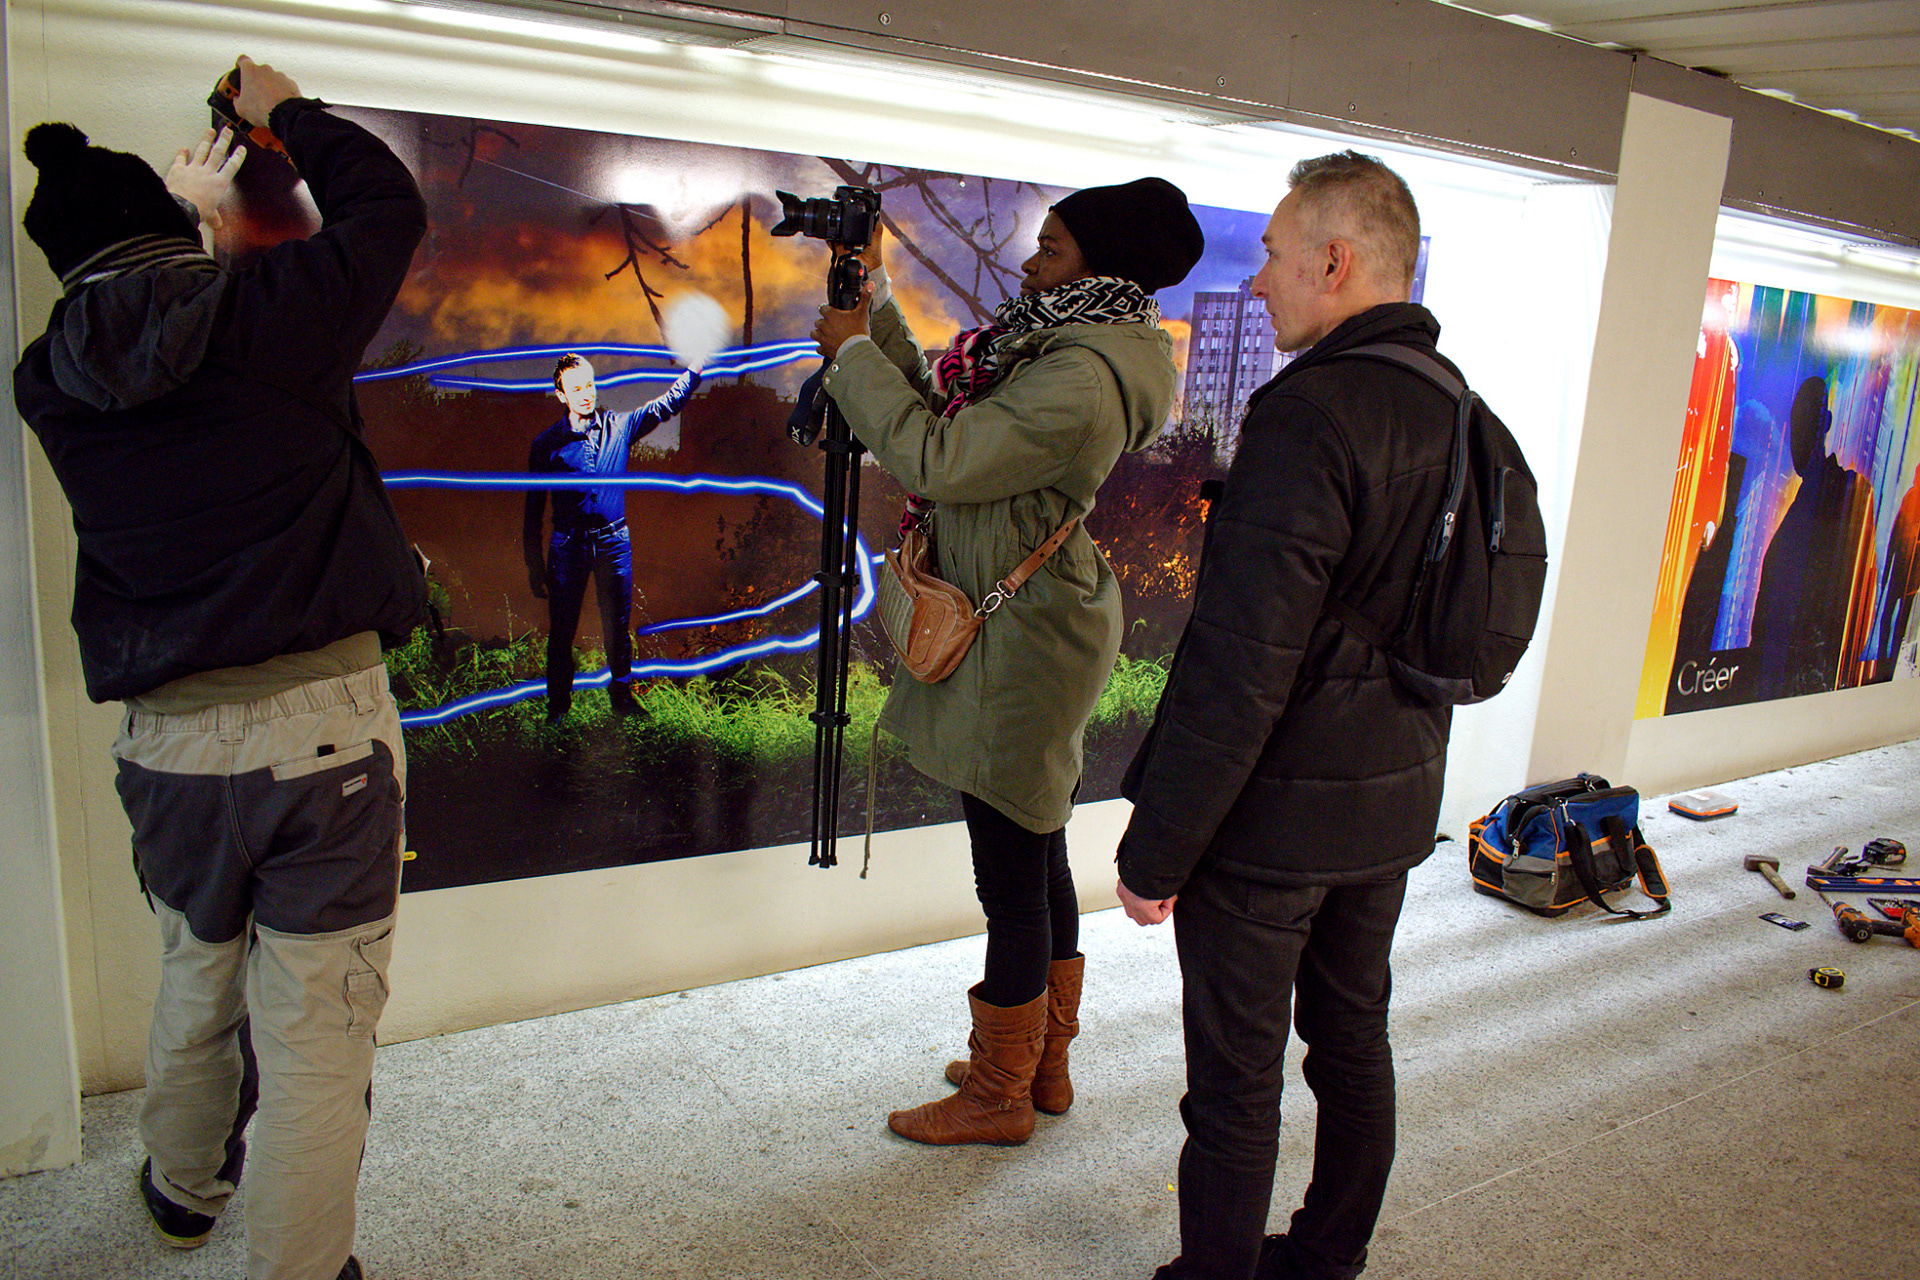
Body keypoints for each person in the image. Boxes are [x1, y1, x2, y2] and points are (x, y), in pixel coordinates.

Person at [14, 57, 427, 1280]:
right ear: (166, 221)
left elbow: (159, 339)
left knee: (197, 973)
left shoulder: (48, 382)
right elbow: (387, 210)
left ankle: (183, 1188)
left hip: (167, 746)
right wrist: (282, 113)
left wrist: (195, 229)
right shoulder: (269, 315)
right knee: (316, 1032)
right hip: (325, 736)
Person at [1114, 151, 1463, 1280]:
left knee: (1235, 1077)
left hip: (1271, 824)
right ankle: (1325, 1257)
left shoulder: (1306, 415)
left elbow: (1239, 663)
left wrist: (1157, 844)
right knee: (1354, 1037)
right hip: (1390, 807)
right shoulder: (1465, 411)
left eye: (1270, 253)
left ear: (1335, 259)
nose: (1258, 280)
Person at [811, 178, 1203, 1145]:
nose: (1032, 264)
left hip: (1025, 634)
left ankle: (998, 1096)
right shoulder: (1065, 344)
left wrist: (851, 356)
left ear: (1103, 268)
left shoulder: (1079, 377)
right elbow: (944, 414)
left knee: (1010, 866)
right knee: (1034, 845)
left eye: (1055, 249)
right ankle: (1040, 1063)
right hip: (1026, 617)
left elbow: (939, 461)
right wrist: (876, 315)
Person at [523, 354, 700, 722]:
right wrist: (534, 564)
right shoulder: (546, 445)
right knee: (562, 630)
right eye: (575, 388)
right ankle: (558, 708)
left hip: (613, 544)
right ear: (560, 395)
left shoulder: (619, 426)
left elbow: (663, 407)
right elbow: (534, 507)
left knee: (617, 626)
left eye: (589, 384)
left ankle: (622, 701)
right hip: (568, 546)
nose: (586, 394)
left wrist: (694, 372)